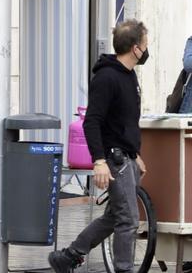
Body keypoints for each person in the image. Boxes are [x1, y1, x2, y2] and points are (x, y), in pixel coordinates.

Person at [49, 20, 150, 273]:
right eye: (146, 44)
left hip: (126, 156)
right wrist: (99, 161)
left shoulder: (129, 76)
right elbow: (92, 121)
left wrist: (135, 153)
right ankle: (124, 270)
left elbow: (123, 121)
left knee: (115, 216)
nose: (148, 49)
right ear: (135, 48)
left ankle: (70, 256)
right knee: (128, 220)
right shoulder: (107, 77)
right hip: (114, 159)